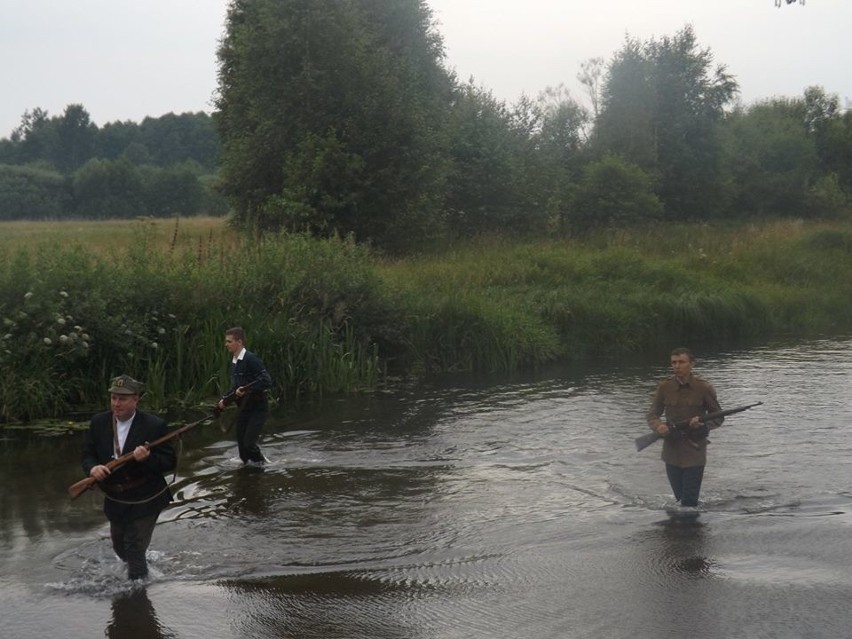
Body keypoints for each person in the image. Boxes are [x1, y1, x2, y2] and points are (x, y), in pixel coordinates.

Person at [81, 375, 176, 580]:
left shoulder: (154, 425)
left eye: (122, 399)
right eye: (114, 398)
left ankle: (137, 597)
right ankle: (136, 578)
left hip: (146, 497)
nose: (117, 404)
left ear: (136, 400)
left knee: (133, 548)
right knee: (120, 547)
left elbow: (169, 462)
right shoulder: (98, 422)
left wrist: (147, 458)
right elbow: (87, 455)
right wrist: (92, 469)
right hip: (115, 498)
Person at [646, 347, 723, 508]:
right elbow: (652, 414)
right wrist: (658, 426)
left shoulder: (704, 388)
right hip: (671, 451)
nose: (677, 366)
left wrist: (702, 425)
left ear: (691, 364)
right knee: (679, 499)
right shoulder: (664, 387)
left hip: (694, 450)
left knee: (689, 503)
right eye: (674, 362)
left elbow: (718, 417)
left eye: (681, 362)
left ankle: (691, 531)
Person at [217, 326, 273, 465]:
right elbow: (236, 387)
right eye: (226, 341)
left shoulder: (251, 359)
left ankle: (264, 465)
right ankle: (247, 475)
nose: (226, 345)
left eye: (229, 341)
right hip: (243, 409)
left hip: (258, 408)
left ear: (239, 342)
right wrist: (224, 400)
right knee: (242, 451)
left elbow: (267, 381)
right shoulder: (235, 362)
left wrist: (247, 390)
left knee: (249, 445)